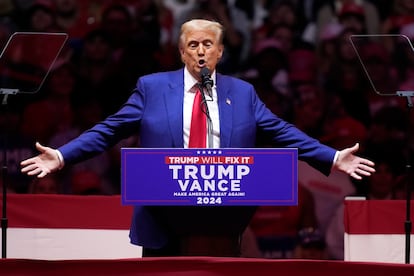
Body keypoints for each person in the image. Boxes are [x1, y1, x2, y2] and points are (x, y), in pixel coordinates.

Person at [20, 18, 375, 257]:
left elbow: (282, 132)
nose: (201, 51)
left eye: (208, 44)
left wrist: (331, 157)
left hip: (224, 220)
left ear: (220, 52)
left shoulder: (243, 93)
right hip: (163, 218)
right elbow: (109, 129)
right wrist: (62, 156)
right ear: (181, 52)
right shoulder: (152, 88)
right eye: (193, 44)